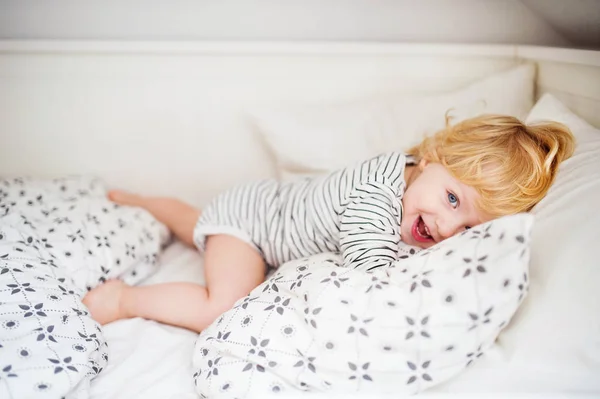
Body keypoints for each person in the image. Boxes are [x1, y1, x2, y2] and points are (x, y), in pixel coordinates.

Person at [82, 114, 575, 333]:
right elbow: (376, 283)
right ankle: (124, 298)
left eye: (469, 228)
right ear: (430, 157)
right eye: (452, 199)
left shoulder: (414, 177)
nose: (447, 228)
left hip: (262, 203)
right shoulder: (373, 203)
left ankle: (150, 203)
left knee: (198, 225)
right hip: (253, 228)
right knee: (221, 305)